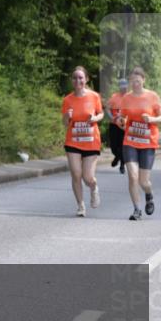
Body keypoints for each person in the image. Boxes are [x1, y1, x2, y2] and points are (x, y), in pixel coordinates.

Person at [117, 67, 161, 221]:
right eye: (132, 81)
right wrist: (121, 121)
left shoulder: (153, 96)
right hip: (130, 141)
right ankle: (137, 210)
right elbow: (121, 118)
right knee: (132, 176)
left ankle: (149, 195)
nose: (135, 84)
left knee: (143, 181)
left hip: (148, 142)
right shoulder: (126, 98)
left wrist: (151, 119)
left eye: (138, 81)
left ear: (143, 80)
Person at [62, 66, 104, 217]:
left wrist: (94, 118)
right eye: (75, 77)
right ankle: (80, 205)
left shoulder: (94, 96)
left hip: (91, 141)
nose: (78, 80)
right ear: (72, 80)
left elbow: (101, 114)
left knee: (88, 177)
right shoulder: (67, 99)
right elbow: (65, 123)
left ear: (86, 79)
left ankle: (93, 188)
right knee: (76, 174)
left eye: (80, 77)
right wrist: (67, 115)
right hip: (73, 141)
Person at [106, 77, 129, 174]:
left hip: (125, 126)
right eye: (122, 87)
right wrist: (111, 117)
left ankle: (122, 165)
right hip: (114, 125)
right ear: (119, 87)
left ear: (127, 86)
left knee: (122, 146)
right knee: (113, 146)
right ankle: (117, 156)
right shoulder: (114, 97)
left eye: (125, 87)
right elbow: (107, 109)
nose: (123, 89)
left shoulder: (130, 97)